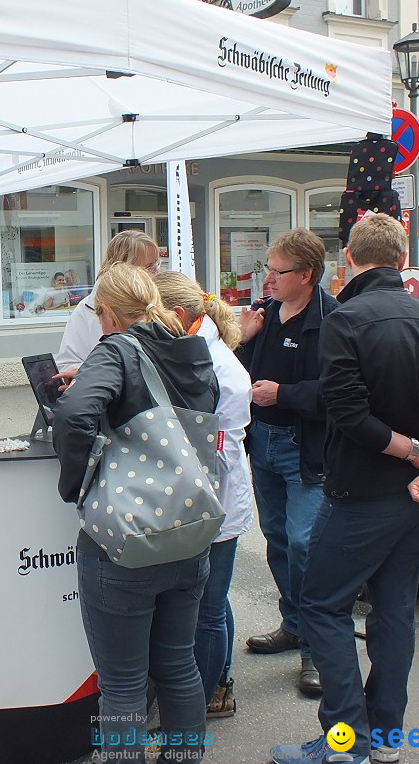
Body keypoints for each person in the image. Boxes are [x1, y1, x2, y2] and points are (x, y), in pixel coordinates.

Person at [273, 213, 419, 764]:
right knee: (391, 611)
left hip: (362, 491)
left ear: (348, 260)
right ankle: (383, 741)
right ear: (403, 261)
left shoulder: (347, 317)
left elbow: (347, 412)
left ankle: (346, 742)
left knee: (321, 606)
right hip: (415, 497)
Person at [53, 263, 218, 763]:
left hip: (125, 543)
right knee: (178, 665)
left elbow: (74, 414)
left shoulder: (117, 348)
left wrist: (73, 484)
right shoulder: (192, 350)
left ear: (107, 311)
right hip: (189, 532)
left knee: (123, 684)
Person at [234, 229, 337, 696]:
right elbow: (235, 378)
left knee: (304, 543)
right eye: (267, 270)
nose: (268, 279)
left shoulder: (332, 319)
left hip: (304, 448)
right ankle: (293, 625)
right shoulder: (266, 316)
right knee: (277, 539)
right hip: (264, 443)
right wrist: (242, 340)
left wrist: (284, 394)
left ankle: (317, 649)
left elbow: (340, 393)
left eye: (277, 272)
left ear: (307, 275)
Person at [154, 271, 253, 720]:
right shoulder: (197, 352)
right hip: (206, 505)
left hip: (215, 508)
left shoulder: (218, 369)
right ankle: (219, 682)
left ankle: (202, 703)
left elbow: (219, 457)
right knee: (214, 602)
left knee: (208, 610)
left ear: (177, 316)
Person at [55, 230, 160, 375]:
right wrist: (96, 375)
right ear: (125, 268)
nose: (156, 273)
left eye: (156, 265)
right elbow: (67, 365)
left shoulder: (156, 301)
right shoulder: (88, 307)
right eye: (149, 267)